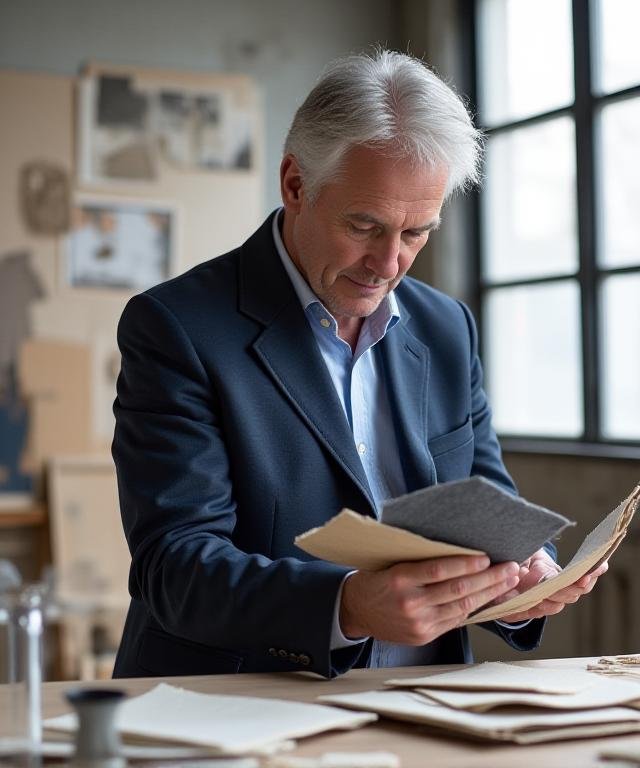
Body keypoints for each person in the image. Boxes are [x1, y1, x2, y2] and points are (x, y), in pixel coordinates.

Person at [111, 50, 606, 679]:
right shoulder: (176, 327)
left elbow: (487, 504)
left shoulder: (447, 328)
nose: (389, 263)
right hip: (236, 700)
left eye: (416, 232)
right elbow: (174, 565)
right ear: (295, 184)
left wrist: (522, 574)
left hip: (422, 699)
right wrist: (347, 607)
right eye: (365, 226)